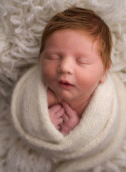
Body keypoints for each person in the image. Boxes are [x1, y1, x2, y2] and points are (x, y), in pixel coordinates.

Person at [39, 7, 112, 135]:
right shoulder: (41, 94)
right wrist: (42, 123)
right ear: (40, 59)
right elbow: (24, 111)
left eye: (82, 61)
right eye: (53, 57)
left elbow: (106, 134)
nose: (64, 67)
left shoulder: (103, 104)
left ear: (104, 72)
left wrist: (76, 131)